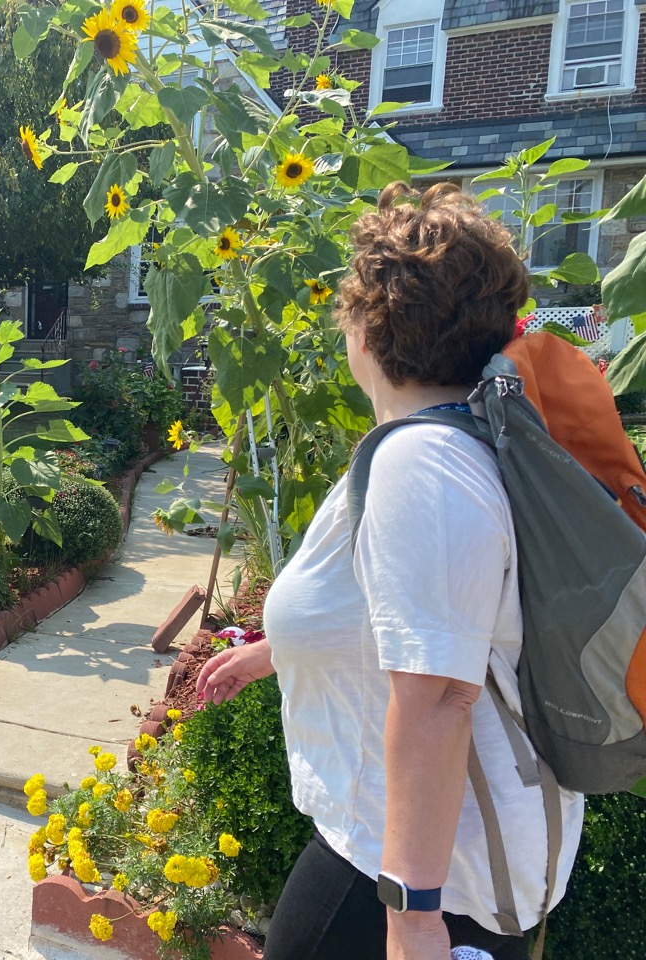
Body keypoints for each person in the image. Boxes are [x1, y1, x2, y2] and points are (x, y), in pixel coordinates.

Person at [196, 182, 584, 960]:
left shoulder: (424, 464)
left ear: (367, 329)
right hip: (426, 853)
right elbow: (429, 614)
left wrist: (412, 916)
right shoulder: (459, 440)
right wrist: (274, 652)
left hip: (426, 874)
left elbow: (440, 692)